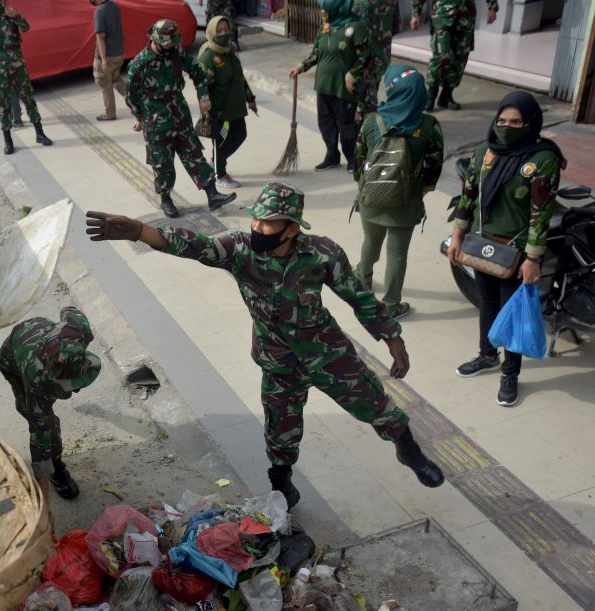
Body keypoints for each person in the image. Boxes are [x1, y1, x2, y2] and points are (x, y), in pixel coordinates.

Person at [85, 182, 445, 508]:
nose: (257, 228)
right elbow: (197, 246)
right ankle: (282, 485)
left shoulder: (322, 253)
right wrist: (142, 232)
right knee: (280, 432)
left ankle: (409, 451)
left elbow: (359, 295)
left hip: (328, 352)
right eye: (256, 220)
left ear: (292, 228)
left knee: (377, 404)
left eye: (268, 223)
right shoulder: (240, 250)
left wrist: (392, 337)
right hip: (277, 361)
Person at [446, 92, 563, 407]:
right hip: (482, 244)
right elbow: (468, 196)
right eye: (502, 120)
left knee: (512, 314)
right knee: (486, 303)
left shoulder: (542, 158)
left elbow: (542, 214)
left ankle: (510, 374)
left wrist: (534, 259)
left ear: (530, 124)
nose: (506, 127)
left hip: (518, 252)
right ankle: (487, 355)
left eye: (515, 122)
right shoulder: (485, 151)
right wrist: (457, 236)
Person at [353, 66, 444, 320]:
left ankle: (362, 279)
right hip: (406, 200)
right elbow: (434, 166)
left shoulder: (373, 121)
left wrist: (362, 187)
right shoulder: (429, 125)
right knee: (397, 253)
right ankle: (391, 304)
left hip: (371, 198)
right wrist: (421, 190)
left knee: (370, 241)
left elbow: (359, 160)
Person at [125, 19, 236, 218]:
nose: (171, 47)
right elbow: (130, 95)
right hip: (156, 123)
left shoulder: (176, 52)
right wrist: (140, 116)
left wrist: (203, 96)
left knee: (194, 155)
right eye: (167, 44)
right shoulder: (140, 63)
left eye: (173, 43)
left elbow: (196, 71)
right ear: (155, 41)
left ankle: (213, 195)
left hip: (180, 115)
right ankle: (166, 199)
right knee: (163, 164)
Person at [0, 308, 102, 513]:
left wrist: (59, 333)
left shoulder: (78, 329)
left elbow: (69, 310)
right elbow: (40, 445)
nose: (75, 390)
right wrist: (44, 507)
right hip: (12, 356)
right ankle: (58, 469)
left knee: (45, 416)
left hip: (41, 327)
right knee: (42, 422)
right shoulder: (36, 382)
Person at [289, 0, 374, 171]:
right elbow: (316, 54)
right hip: (323, 85)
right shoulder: (325, 28)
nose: (322, 11)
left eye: (325, 8)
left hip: (343, 87)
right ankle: (332, 155)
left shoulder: (354, 28)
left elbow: (366, 55)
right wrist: (301, 66)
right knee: (326, 124)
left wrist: (352, 74)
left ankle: (353, 159)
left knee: (346, 126)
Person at [0, 0, 53, 156]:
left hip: (18, 65)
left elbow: (26, 27)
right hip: (1, 69)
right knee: (4, 104)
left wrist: (16, 15)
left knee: (29, 98)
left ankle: (40, 133)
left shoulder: (11, 15)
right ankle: (8, 141)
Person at [198, 15, 257, 189]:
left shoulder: (229, 52)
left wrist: (250, 99)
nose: (224, 33)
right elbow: (202, 88)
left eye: (226, 29)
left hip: (235, 108)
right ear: (211, 32)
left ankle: (216, 161)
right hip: (220, 111)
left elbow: (240, 78)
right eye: (220, 30)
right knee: (222, 141)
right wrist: (206, 115)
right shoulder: (208, 57)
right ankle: (220, 175)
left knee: (240, 135)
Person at [411, 0, 499, 111]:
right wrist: (416, 13)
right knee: (440, 57)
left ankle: (446, 97)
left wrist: (492, 7)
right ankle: (430, 95)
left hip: (465, 18)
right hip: (442, 17)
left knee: (459, 59)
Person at [350, 0, 401, 126]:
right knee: (372, 90)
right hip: (382, 57)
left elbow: (355, 32)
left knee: (366, 99)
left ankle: (365, 132)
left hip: (365, 60)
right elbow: (397, 27)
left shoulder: (360, 3)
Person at [91, 0, 127, 121]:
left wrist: (103, 59)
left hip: (108, 55)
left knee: (104, 83)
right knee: (116, 80)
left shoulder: (99, 11)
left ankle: (110, 113)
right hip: (118, 52)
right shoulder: (115, 6)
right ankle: (138, 102)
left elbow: (100, 37)